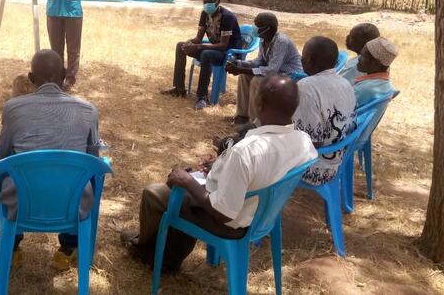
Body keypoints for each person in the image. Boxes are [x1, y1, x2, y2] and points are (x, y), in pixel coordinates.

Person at [121, 75, 317, 272]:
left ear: (259, 104)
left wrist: (189, 182)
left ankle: (148, 252)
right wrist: (222, 165)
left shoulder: (246, 151)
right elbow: (264, 167)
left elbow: (223, 213)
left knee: (155, 193)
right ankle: (166, 252)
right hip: (261, 214)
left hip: (232, 222)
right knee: (180, 190)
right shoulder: (303, 141)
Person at [0, 49, 100, 270]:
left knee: (4, 168)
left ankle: (11, 245)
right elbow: (94, 160)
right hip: (73, 204)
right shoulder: (89, 111)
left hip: (21, 201)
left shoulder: (12, 108)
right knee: (84, 173)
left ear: (31, 78)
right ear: (64, 74)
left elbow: (3, 153)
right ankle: (70, 246)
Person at [161, 0, 242, 110]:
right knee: (180, 46)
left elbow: (223, 45)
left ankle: (202, 97)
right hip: (214, 50)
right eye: (205, 2)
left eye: (210, 2)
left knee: (206, 54)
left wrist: (199, 46)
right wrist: (190, 42)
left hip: (228, 53)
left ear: (218, 2)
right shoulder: (205, 14)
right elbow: (199, 38)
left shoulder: (227, 17)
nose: (207, 5)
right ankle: (179, 89)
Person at [293, 36, 357, 186]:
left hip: (316, 168)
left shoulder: (306, 87)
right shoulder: (345, 83)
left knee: (260, 152)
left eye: (303, 55)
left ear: (308, 59)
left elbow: (312, 142)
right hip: (339, 158)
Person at [225, 12, 302, 124]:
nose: (254, 27)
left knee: (257, 80)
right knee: (244, 76)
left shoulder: (281, 41)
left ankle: (254, 122)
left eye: (257, 25)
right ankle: (242, 116)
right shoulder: (263, 39)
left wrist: (241, 69)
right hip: (276, 74)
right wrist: (239, 64)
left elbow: (271, 70)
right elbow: (259, 61)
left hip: (290, 76)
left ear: (267, 28)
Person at [354, 37, 398, 106]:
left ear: (375, 63)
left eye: (363, 56)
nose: (359, 58)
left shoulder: (365, 88)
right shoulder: (384, 83)